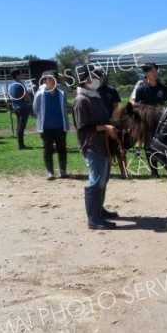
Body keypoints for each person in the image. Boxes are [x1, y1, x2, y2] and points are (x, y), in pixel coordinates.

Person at [72, 64, 120, 230]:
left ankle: (99, 210)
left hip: (103, 144)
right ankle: (93, 218)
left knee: (103, 179)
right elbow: (83, 127)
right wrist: (105, 128)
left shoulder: (94, 96)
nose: (99, 79)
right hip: (93, 145)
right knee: (96, 180)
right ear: (86, 80)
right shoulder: (81, 101)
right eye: (96, 76)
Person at [133, 63, 167, 177]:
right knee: (149, 146)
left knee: (164, 144)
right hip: (148, 123)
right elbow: (137, 105)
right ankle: (154, 172)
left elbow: (166, 104)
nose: (155, 73)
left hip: (162, 122)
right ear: (146, 73)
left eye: (156, 71)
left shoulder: (163, 88)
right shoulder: (141, 89)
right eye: (152, 71)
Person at [33, 70, 69, 180]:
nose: (52, 80)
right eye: (49, 79)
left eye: (54, 78)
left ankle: (63, 171)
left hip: (60, 126)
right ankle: (50, 172)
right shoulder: (40, 94)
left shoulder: (61, 92)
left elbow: (69, 93)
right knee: (47, 149)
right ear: (44, 81)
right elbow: (35, 109)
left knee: (62, 148)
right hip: (46, 127)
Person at [8, 70, 31, 149]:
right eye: (21, 73)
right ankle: (21, 145)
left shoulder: (11, 84)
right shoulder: (20, 84)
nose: (22, 75)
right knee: (21, 127)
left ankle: (20, 144)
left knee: (19, 126)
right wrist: (29, 99)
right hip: (22, 107)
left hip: (15, 107)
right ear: (17, 75)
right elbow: (26, 97)